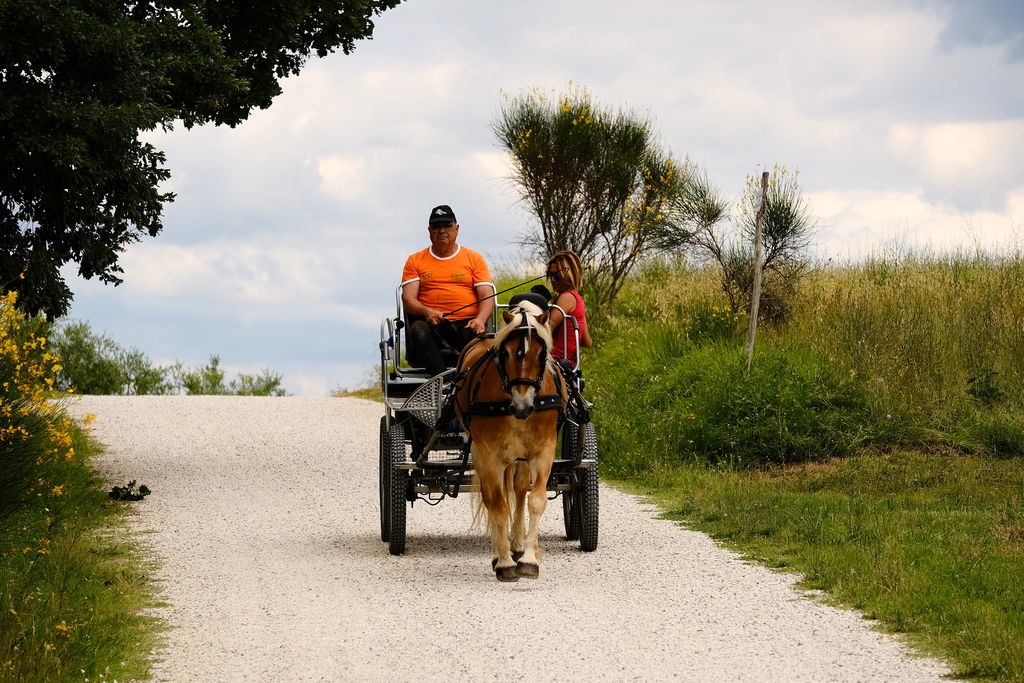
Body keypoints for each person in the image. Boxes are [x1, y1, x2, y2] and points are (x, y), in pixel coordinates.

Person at [401, 204, 494, 377]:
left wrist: (480, 320)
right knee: (419, 329)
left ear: (456, 228)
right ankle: (442, 380)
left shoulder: (474, 259)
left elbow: (487, 296)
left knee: (481, 335)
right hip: (434, 324)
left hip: (468, 322)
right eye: (436, 226)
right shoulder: (415, 261)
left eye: (447, 225)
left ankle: (470, 380)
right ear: (429, 230)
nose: (441, 230)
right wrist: (426, 312)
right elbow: (408, 299)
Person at [545, 250, 592, 365]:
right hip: (569, 362)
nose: (552, 279)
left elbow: (544, 330)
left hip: (555, 360)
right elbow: (587, 342)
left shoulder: (566, 297)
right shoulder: (577, 299)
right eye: (550, 275)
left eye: (557, 276)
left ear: (570, 275)